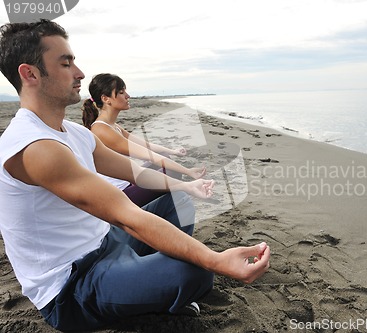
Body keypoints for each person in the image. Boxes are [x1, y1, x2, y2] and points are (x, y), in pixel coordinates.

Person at [0, 19, 270, 331]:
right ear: (29, 73)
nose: (80, 73)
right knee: (197, 272)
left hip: (105, 241)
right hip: (73, 285)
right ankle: (153, 284)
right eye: (66, 63)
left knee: (178, 200)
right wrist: (214, 260)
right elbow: (127, 215)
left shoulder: (72, 132)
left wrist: (188, 184)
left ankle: (148, 278)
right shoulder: (34, 148)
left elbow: (134, 172)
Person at [81, 73, 206, 207]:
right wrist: (188, 172)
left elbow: (145, 145)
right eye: (122, 92)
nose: (128, 96)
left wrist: (173, 151)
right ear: (106, 99)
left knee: (165, 157)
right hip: (119, 194)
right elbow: (149, 155)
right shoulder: (102, 130)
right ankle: (162, 208)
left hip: (127, 182)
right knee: (172, 171)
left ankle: (164, 204)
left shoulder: (113, 126)